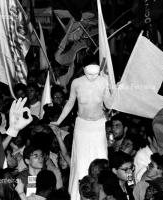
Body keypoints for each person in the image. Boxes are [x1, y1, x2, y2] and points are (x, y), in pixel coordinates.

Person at [51, 63, 114, 200]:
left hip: (99, 125)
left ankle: (102, 195)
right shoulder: (76, 83)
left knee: (101, 160)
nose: (92, 77)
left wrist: (111, 88)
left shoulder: (103, 81)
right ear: (84, 70)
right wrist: (59, 121)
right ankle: (76, 195)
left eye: (95, 74)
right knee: (79, 163)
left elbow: (109, 104)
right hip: (82, 126)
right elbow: (70, 103)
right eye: (89, 74)